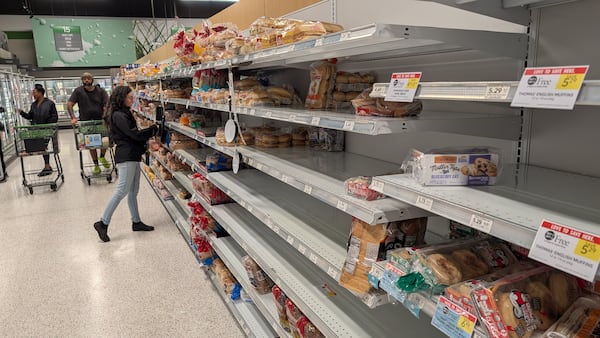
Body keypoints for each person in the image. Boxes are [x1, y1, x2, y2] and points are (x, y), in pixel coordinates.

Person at [93, 86, 157, 242]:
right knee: (121, 190)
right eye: (129, 97)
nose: (132, 100)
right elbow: (133, 134)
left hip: (133, 155)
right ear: (121, 98)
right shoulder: (118, 115)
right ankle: (102, 223)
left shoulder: (124, 112)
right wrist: (152, 130)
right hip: (126, 156)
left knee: (133, 190)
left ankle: (136, 222)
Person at [67, 72, 110, 175]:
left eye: (88, 78)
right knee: (92, 144)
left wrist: (106, 115)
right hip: (86, 123)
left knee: (105, 142)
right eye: (84, 79)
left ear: (92, 80)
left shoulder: (101, 91)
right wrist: (73, 117)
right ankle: (96, 165)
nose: (86, 80)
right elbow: (69, 104)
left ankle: (102, 157)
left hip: (100, 121)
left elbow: (107, 105)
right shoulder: (78, 91)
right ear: (82, 80)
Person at [19, 84, 58, 177]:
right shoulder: (33, 105)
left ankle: (47, 166)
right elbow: (30, 116)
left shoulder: (50, 103)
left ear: (40, 93)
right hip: (37, 130)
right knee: (41, 147)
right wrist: (22, 113)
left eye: (34, 92)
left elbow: (55, 117)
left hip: (47, 130)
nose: (33, 94)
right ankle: (47, 166)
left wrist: (47, 125)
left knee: (43, 146)